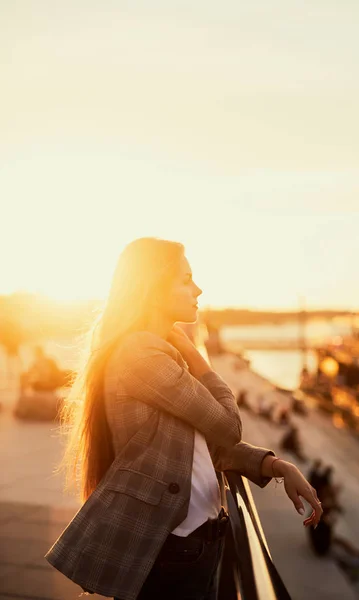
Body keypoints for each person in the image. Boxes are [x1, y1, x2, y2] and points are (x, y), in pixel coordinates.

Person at [44, 237, 323, 600]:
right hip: (174, 549)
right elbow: (227, 426)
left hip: (189, 544)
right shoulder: (140, 353)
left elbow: (199, 448)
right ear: (154, 287)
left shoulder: (150, 350)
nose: (198, 288)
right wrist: (196, 356)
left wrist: (274, 465)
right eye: (185, 279)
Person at [307, 464, 359, 580]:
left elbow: (330, 512)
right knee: (341, 554)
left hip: (323, 539)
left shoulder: (320, 507)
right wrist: (335, 501)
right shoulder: (322, 509)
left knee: (342, 542)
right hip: (322, 547)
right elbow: (330, 514)